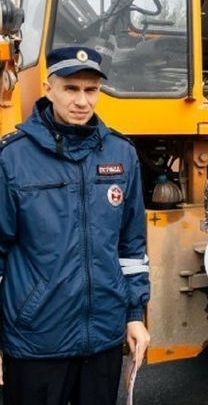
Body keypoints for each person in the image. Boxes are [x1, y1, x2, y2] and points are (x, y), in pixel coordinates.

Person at [0, 46, 150, 404]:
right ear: (48, 89)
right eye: (71, 88)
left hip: (103, 339)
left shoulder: (121, 154)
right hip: (36, 341)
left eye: (91, 90)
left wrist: (134, 315)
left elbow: (131, 248)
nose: (82, 100)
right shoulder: (12, 158)